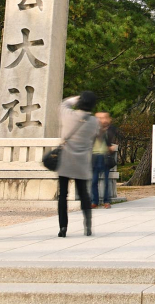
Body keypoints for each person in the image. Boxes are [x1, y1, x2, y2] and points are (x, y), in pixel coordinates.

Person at [56, 92, 98, 237]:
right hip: (82, 161)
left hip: (66, 159)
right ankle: (88, 226)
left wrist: (75, 98)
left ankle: (63, 228)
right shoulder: (94, 122)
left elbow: (63, 104)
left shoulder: (69, 115)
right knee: (84, 195)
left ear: (80, 102)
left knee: (63, 195)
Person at [91, 111, 121, 209]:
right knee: (94, 180)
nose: (101, 119)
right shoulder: (93, 129)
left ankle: (106, 201)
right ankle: (94, 201)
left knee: (106, 181)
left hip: (105, 157)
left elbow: (118, 138)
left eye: (103, 117)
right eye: (98, 118)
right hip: (94, 156)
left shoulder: (110, 129)